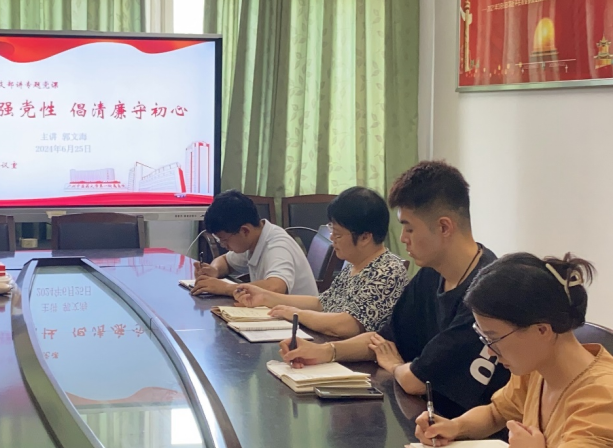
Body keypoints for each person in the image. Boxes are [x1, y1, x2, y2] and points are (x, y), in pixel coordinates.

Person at [280, 161, 510, 417]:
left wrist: (395, 365)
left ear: (444, 227)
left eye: (409, 228)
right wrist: (324, 352)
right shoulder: (432, 274)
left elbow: (416, 381)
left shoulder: (487, 294)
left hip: (464, 428)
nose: (402, 238)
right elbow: (382, 340)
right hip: (422, 415)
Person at [415, 253, 613, 448]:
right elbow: (496, 413)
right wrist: (454, 426)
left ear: (542, 330)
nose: (490, 352)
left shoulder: (603, 396)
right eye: (484, 337)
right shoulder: (537, 369)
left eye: (493, 338)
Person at [234, 187, 407, 338]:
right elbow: (321, 303)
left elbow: (347, 325)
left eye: (337, 234)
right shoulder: (355, 265)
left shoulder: (387, 271)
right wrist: (265, 297)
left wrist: (297, 314)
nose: (332, 238)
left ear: (365, 237)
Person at [191, 190, 318, 297]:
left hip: (299, 318)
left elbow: (276, 287)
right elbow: (225, 261)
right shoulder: (253, 240)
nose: (223, 245)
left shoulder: (278, 246)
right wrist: (214, 270)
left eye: (224, 240)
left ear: (245, 231)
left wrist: (226, 288)